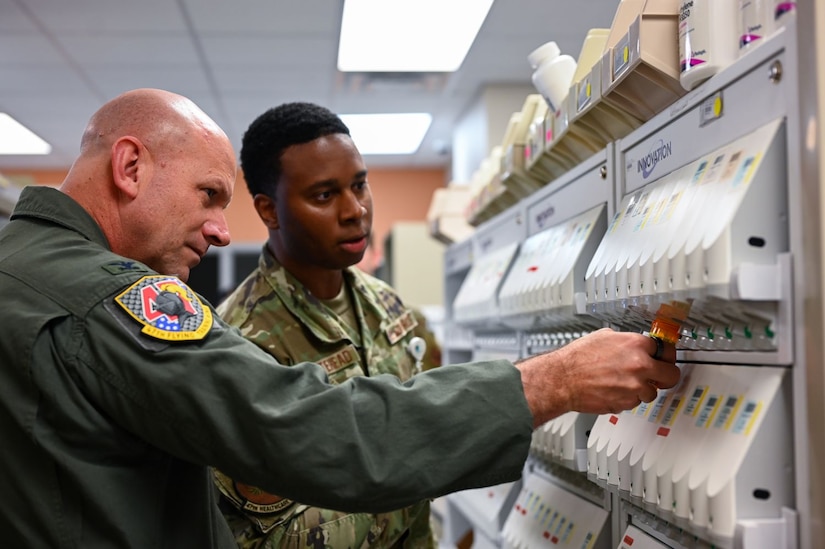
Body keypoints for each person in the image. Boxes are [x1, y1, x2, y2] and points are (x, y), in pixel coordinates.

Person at [0, 88, 679, 548]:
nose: (215, 229)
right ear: (129, 165)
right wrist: (550, 381)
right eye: (209, 195)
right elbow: (309, 430)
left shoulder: (18, 271)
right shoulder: (114, 300)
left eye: (359, 186)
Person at [214, 102, 437, 548]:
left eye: (360, 185)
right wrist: (418, 469)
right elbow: (265, 538)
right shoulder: (237, 343)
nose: (355, 210)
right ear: (269, 210)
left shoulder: (390, 307)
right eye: (324, 195)